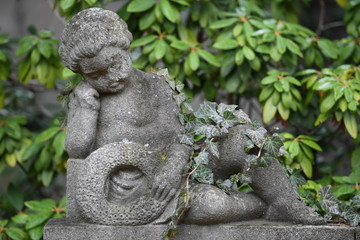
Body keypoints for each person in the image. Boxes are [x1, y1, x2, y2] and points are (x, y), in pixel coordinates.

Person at [59, 8, 323, 225]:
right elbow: (78, 151)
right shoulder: (87, 98)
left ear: (126, 48)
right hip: (135, 188)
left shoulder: (156, 85)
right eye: (96, 75)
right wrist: (85, 109)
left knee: (244, 138)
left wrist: (173, 168)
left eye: (116, 63)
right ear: (84, 75)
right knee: (208, 205)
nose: (112, 77)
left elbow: (181, 136)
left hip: (180, 167)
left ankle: (284, 201)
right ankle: (260, 207)